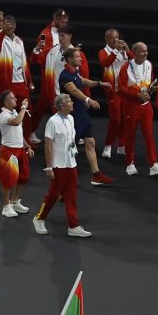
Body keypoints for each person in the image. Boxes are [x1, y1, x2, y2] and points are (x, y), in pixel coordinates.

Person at [33, 94, 91, 238]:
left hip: (71, 163)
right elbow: (48, 145)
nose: (72, 103)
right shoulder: (52, 122)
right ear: (61, 106)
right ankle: (39, 218)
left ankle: (73, 225)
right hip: (58, 165)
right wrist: (49, 167)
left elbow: (71, 139)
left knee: (71, 195)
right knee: (53, 195)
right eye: (69, 101)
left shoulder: (71, 119)